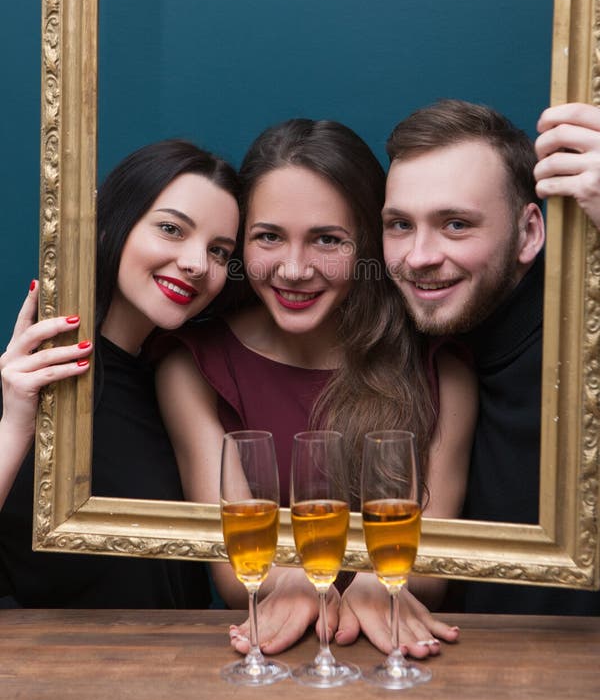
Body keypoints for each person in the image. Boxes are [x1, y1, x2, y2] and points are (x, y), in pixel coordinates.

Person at [156, 118, 474, 657]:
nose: (295, 268)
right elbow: (236, 575)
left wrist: (374, 583)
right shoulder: (192, 368)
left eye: (327, 239)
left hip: (402, 654)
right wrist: (309, 582)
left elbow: (433, 566)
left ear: (369, 244)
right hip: (275, 657)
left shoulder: (441, 367)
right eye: (269, 237)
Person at [370, 97, 600, 617]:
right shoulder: (400, 344)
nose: (419, 257)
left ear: (529, 233)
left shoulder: (583, 342)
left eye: (455, 224)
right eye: (400, 225)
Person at [0, 139, 239, 608]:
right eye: (171, 229)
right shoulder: (25, 381)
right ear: (109, 227)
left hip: (172, 669)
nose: (196, 264)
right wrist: (13, 423)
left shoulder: (186, 387)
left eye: (219, 251)